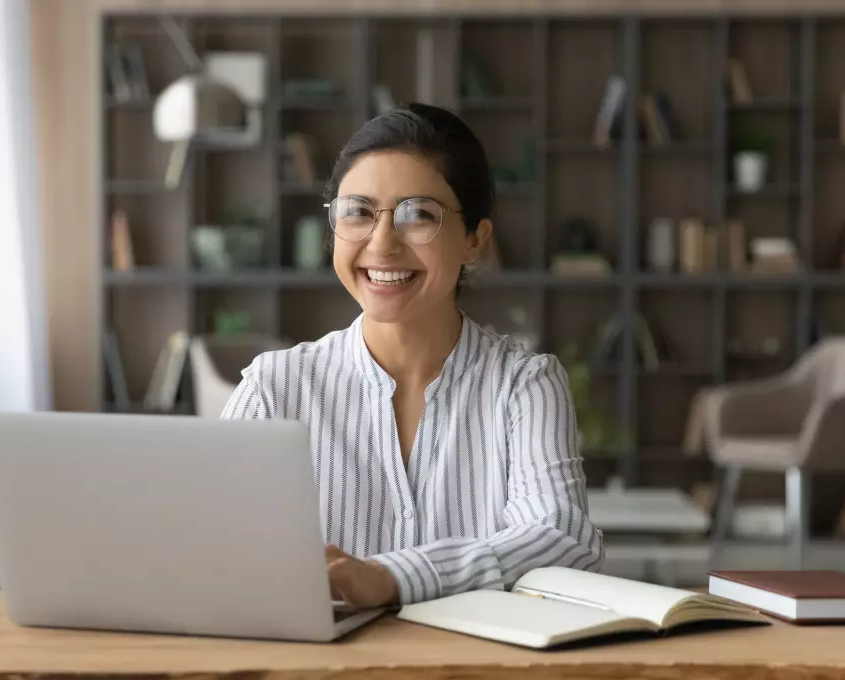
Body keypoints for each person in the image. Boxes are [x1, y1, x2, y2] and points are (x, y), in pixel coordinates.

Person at [220, 102, 604, 608]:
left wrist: (393, 576)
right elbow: (208, 547)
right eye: (357, 212)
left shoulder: (524, 385)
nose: (381, 245)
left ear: (474, 241)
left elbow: (563, 538)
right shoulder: (274, 390)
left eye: (418, 215)